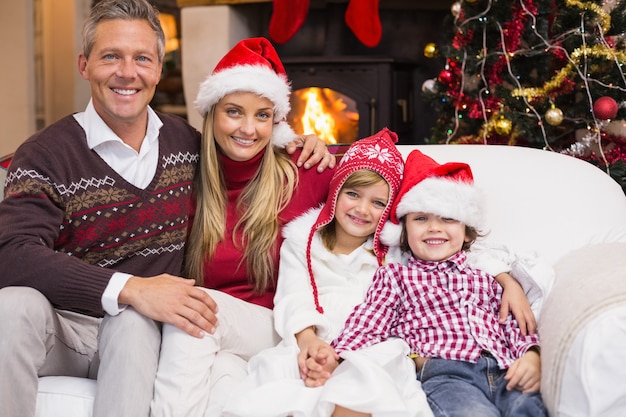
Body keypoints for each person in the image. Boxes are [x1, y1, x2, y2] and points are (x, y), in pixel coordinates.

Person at [0, 1, 331, 416]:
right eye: (110, 57)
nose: (127, 72)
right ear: (84, 65)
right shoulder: (46, 154)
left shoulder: (184, 144)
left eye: (142, 58)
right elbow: (11, 253)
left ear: (159, 68)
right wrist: (131, 288)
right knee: (11, 305)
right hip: (67, 327)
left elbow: (241, 145)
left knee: (131, 320)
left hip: (139, 332)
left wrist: (296, 140)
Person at [150, 37, 337, 416]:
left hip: (280, 329)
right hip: (221, 344)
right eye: (234, 112)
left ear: (277, 120)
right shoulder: (184, 178)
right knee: (223, 384)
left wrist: (492, 264)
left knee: (197, 308)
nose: (248, 129)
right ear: (212, 113)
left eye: (263, 115)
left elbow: (397, 208)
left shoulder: (304, 171)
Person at [222, 128, 433, 417]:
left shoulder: (393, 255)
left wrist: (504, 277)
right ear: (336, 192)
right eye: (353, 194)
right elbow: (293, 296)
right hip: (310, 342)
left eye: (377, 202)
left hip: (371, 348)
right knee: (283, 381)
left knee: (366, 382)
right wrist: (309, 341)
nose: (362, 209)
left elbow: (452, 257)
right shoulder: (302, 242)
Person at [331, 150, 549, 417]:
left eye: (447, 218)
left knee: (530, 409)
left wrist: (532, 355)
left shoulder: (485, 277)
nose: (434, 228)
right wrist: (337, 356)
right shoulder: (396, 277)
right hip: (448, 372)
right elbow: (370, 321)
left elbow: (513, 323)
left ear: (467, 231)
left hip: (506, 367)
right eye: (421, 219)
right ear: (404, 231)